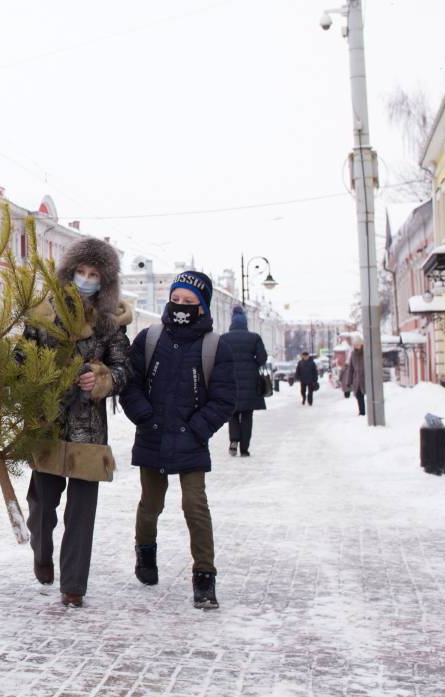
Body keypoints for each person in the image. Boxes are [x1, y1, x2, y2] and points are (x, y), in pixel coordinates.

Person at [22, 238, 132, 609]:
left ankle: (73, 586)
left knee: (81, 512)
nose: (86, 280)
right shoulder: (42, 314)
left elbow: (123, 369)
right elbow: (21, 358)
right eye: (81, 273)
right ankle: (41, 551)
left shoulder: (109, 322)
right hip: (47, 420)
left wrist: (102, 379)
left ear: (104, 282)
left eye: (94, 275)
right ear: (68, 275)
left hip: (89, 428)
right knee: (41, 503)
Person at [120, 271, 236, 610]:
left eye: (190, 302)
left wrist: (197, 429)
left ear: (202, 307)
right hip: (152, 435)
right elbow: (130, 384)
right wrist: (144, 416)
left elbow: (224, 399)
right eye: (177, 299)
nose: (181, 306)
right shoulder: (150, 338)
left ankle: (204, 577)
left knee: (195, 506)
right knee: (151, 504)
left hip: (191, 440)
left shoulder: (215, 346)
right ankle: (145, 554)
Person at [220, 305, 267, 457]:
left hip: (230, 380)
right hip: (250, 381)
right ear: (245, 322)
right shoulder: (254, 338)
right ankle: (245, 448)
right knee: (247, 415)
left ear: (231, 321)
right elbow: (262, 359)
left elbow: (218, 359)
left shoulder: (224, 338)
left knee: (232, 413)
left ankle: (234, 439)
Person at [340, 338, 366, 416]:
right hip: (357, 379)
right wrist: (349, 381)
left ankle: (368, 411)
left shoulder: (366, 353)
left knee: (367, 394)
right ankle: (362, 412)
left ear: (361, 345)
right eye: (355, 345)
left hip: (365, 378)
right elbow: (351, 369)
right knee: (358, 395)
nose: (356, 346)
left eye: (357, 344)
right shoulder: (353, 354)